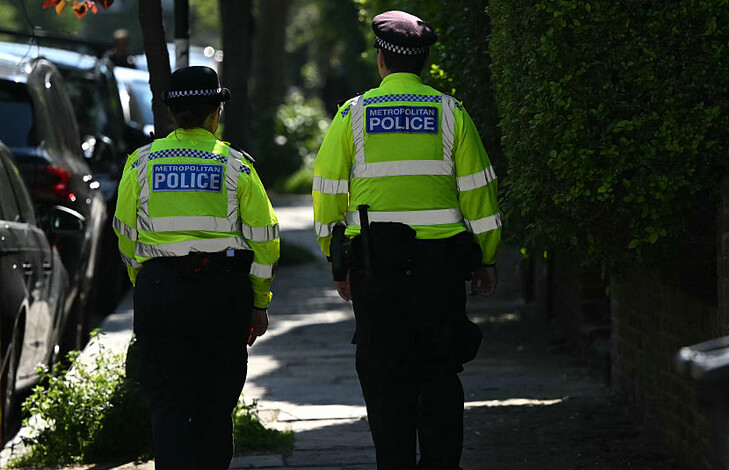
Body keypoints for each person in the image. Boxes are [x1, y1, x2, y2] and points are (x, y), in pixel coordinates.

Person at [312, 10, 501, 469]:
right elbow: (479, 193)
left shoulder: (352, 115)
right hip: (441, 269)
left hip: (376, 269)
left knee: (384, 379)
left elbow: (328, 194)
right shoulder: (451, 113)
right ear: (424, 62)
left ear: (381, 59)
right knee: (440, 375)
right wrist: (487, 259)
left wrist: (337, 262)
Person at [112, 66, 280, 469]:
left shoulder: (140, 163)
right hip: (222, 295)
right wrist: (259, 302)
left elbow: (124, 232)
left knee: (167, 405)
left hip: (159, 293)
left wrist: (146, 280)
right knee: (216, 406)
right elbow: (265, 239)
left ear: (171, 113)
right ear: (215, 114)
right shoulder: (236, 166)